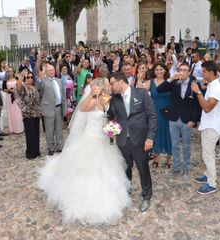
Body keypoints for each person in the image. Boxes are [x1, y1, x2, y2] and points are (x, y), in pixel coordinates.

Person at [38, 78, 130, 224]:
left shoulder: (110, 100)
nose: (109, 87)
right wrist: (91, 95)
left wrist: (112, 128)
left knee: (106, 170)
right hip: (90, 140)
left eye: (109, 86)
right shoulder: (93, 101)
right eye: (107, 86)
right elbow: (82, 109)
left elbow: (112, 117)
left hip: (105, 141)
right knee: (87, 170)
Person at [108, 72, 157, 212]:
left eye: (112, 83)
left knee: (143, 169)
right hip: (123, 140)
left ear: (120, 81)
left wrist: (150, 137)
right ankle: (126, 193)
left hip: (140, 140)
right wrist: (106, 107)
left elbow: (152, 116)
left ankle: (146, 196)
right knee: (125, 168)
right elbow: (112, 117)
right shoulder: (114, 99)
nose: (111, 87)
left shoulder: (141, 94)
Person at [157, 63, 201, 179]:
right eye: (180, 69)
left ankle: (186, 169)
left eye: (184, 70)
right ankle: (176, 169)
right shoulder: (174, 82)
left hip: (187, 120)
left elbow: (198, 105)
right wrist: (171, 78)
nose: (181, 72)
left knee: (186, 145)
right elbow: (159, 89)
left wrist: (194, 120)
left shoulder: (195, 84)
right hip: (174, 118)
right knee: (175, 145)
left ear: (189, 72)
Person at [191, 61, 220, 195]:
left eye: (204, 71)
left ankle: (212, 183)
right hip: (208, 125)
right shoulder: (212, 85)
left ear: (211, 72)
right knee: (206, 153)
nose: (202, 73)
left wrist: (198, 92)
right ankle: (207, 174)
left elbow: (207, 108)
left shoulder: (216, 88)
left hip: (212, 126)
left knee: (208, 155)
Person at [36, 64, 67, 155]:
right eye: (49, 70)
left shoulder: (59, 81)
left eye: (53, 70)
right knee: (49, 130)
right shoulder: (43, 81)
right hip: (48, 109)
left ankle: (59, 146)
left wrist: (64, 108)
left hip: (58, 108)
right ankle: (51, 147)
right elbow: (37, 87)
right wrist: (40, 78)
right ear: (46, 72)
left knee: (59, 129)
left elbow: (63, 96)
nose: (51, 72)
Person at [148, 62, 172, 168]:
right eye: (157, 70)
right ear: (154, 71)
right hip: (154, 111)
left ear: (165, 70)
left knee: (168, 134)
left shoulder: (170, 82)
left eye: (161, 69)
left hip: (167, 112)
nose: (159, 71)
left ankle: (168, 158)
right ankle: (156, 155)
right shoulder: (150, 82)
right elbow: (142, 92)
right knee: (156, 133)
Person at [16, 71, 41, 160]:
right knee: (30, 134)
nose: (30, 79)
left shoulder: (34, 87)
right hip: (27, 114)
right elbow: (18, 87)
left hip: (36, 113)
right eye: (28, 77)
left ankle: (36, 151)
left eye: (31, 77)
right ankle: (30, 153)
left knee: (36, 133)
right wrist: (21, 76)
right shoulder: (23, 86)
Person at [2, 67, 24, 134]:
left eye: (11, 71)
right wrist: (9, 90)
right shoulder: (5, 80)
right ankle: (12, 129)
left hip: (16, 97)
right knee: (11, 112)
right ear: (7, 72)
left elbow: (21, 86)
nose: (10, 72)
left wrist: (15, 90)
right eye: (9, 71)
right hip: (9, 97)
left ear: (13, 72)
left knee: (18, 112)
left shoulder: (17, 78)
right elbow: (3, 89)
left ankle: (19, 128)